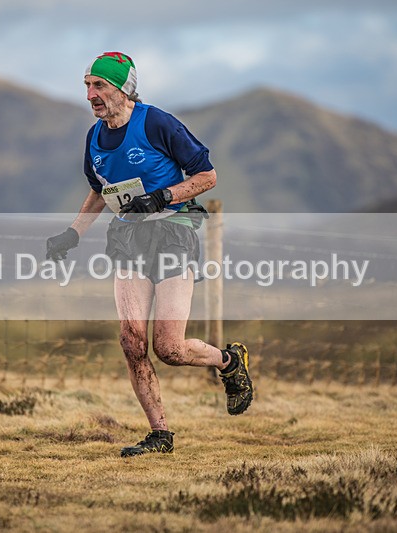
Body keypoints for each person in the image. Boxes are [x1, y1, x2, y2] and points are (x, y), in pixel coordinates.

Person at [46, 51, 253, 457]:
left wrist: (161, 197)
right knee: (131, 340)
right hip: (127, 238)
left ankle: (229, 361)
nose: (90, 94)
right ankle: (160, 434)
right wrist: (72, 234)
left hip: (173, 233)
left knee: (169, 347)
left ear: (124, 89)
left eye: (99, 85)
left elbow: (207, 176)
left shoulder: (157, 122)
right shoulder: (94, 138)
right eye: (87, 85)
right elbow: (98, 191)